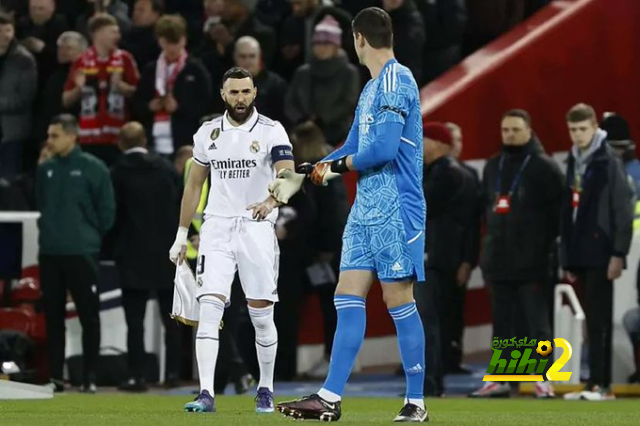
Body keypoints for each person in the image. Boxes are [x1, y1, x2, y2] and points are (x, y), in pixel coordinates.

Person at [271, 7, 428, 422]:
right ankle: (329, 397)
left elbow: (384, 150)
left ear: (358, 38)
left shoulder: (397, 79)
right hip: (365, 209)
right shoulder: (371, 88)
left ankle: (416, 402)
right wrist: (307, 172)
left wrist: (335, 169)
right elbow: (351, 145)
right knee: (346, 294)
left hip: (397, 206)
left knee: (398, 299)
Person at [168, 67, 295, 413]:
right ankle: (206, 393)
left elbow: (288, 174)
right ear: (223, 95)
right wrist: (181, 235)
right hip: (217, 227)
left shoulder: (272, 130)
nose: (240, 98)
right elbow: (194, 185)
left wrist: (271, 202)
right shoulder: (208, 133)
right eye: (234, 92)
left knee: (260, 314)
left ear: (255, 93)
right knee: (209, 308)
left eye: (246, 91)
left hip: (256, 227)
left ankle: (265, 388)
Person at [470, 109, 563, 399]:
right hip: (499, 260)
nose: (509, 135)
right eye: (505, 130)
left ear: (529, 131)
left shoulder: (545, 167)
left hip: (534, 262)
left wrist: (548, 252)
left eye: (515, 130)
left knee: (538, 325)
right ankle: (501, 379)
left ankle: (543, 378)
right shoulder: (492, 166)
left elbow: (559, 215)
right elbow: (485, 210)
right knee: (503, 325)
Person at [36, 114, 115, 393]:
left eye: (55, 135)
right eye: (49, 135)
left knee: (88, 316)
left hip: (82, 253)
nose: (50, 141)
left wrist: (88, 236)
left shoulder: (94, 169)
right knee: (54, 318)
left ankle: (89, 376)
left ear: (72, 136)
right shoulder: (45, 169)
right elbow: (41, 205)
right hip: (50, 253)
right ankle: (56, 377)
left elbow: (107, 213)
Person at [560, 104, 634, 401]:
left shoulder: (607, 160)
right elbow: (568, 210)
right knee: (591, 321)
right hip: (580, 249)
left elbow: (622, 210)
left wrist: (618, 253)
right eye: (573, 130)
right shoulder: (573, 160)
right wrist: (567, 254)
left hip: (602, 250)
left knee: (600, 320)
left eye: (582, 129)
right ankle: (592, 382)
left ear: (594, 127)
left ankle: (602, 385)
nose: (577, 135)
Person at [110, 122, 183, 391]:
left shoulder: (118, 172)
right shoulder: (166, 169)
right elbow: (180, 204)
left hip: (132, 253)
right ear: (145, 140)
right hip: (166, 253)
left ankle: (137, 377)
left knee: (135, 322)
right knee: (172, 319)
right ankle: (174, 374)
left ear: (120, 143)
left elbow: (112, 214)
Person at [62, 13, 139, 166]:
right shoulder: (81, 62)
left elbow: (139, 94)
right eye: (113, 31)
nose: (118, 35)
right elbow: (66, 100)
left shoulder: (124, 59)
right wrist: (79, 88)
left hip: (118, 137)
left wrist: (120, 86)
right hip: (88, 137)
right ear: (98, 33)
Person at [132, 14, 212, 158]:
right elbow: (137, 103)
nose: (172, 47)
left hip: (184, 138)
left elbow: (205, 105)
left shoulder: (195, 69)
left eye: (177, 42)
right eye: (167, 42)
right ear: (160, 41)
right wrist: (149, 106)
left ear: (184, 40)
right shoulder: (151, 70)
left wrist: (179, 108)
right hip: (153, 139)